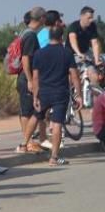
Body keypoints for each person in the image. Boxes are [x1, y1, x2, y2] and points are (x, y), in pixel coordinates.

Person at [32, 24, 82, 166]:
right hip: (60, 93)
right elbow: (74, 75)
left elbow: (35, 77)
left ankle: (25, 142)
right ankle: (54, 157)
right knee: (58, 123)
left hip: (44, 92)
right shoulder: (66, 53)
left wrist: (35, 95)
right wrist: (78, 95)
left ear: (49, 37)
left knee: (36, 116)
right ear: (61, 37)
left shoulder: (39, 53)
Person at [17, 8, 49, 154]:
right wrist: (30, 80)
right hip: (26, 78)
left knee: (29, 110)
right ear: (42, 18)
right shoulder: (30, 36)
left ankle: (29, 142)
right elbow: (25, 59)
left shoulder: (27, 33)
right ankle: (27, 143)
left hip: (26, 77)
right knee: (27, 112)